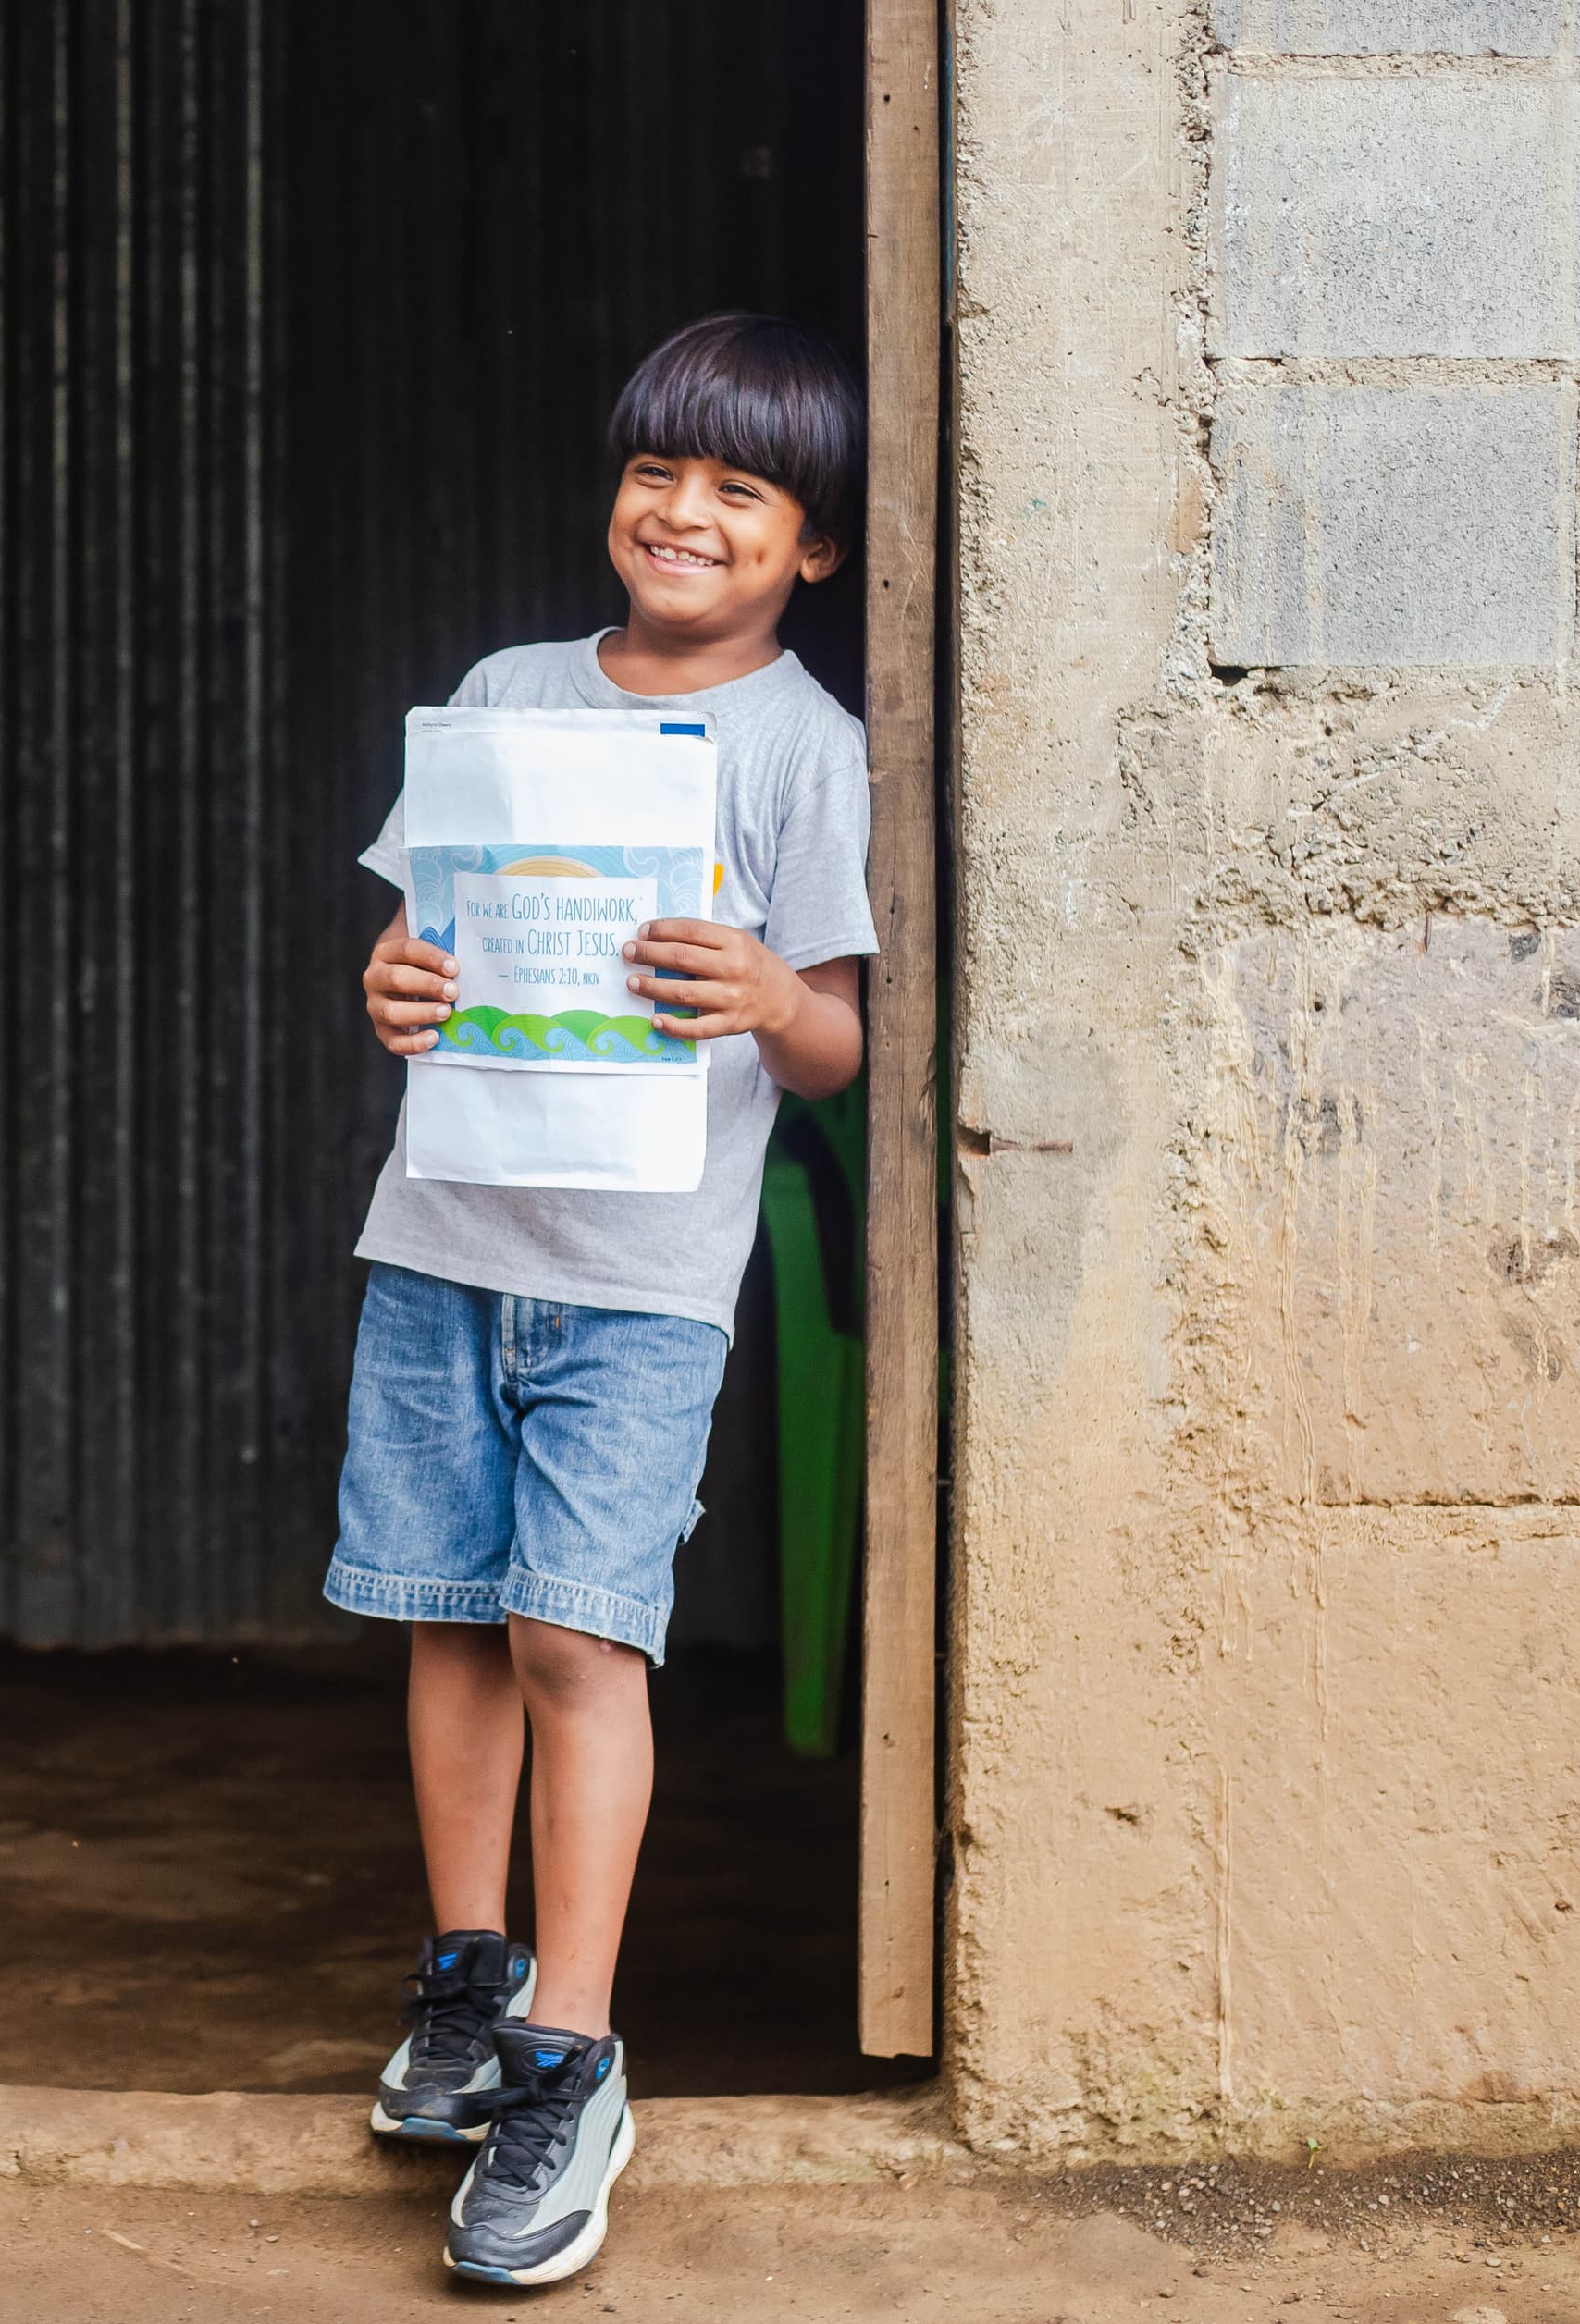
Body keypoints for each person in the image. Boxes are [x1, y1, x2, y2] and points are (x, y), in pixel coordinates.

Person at [335, 311, 875, 2288]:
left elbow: (836, 1045)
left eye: (742, 489)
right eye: (662, 470)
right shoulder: (508, 695)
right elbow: (420, 950)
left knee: (577, 1638)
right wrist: (391, 988)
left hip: (644, 1288)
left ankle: (570, 2046)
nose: (687, 511)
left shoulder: (807, 750)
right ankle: (464, 1981)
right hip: (448, 1242)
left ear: (808, 544)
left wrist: (770, 1001)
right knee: (446, 1619)